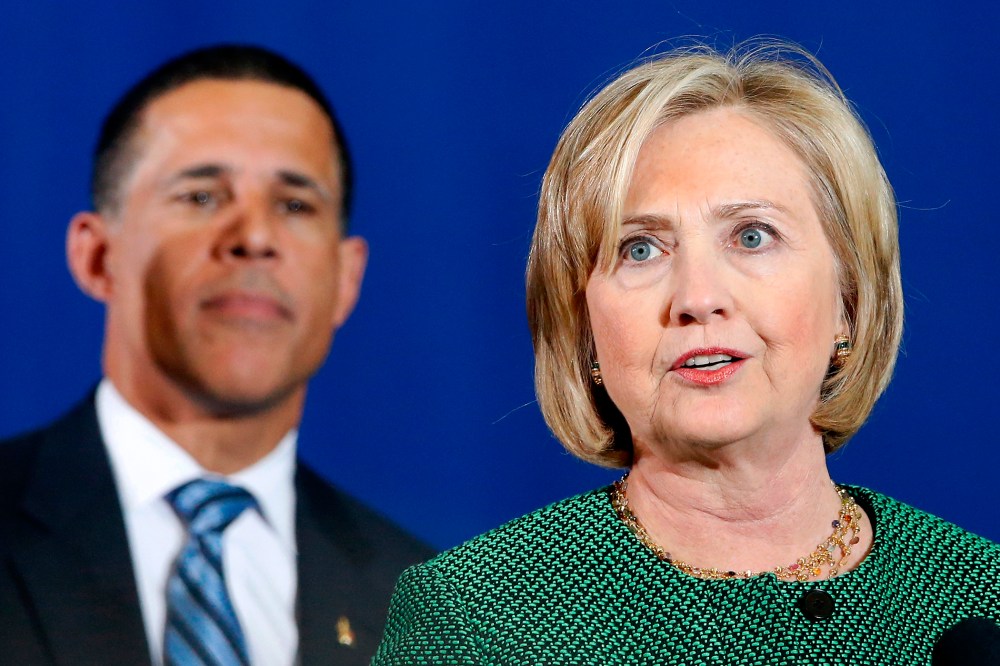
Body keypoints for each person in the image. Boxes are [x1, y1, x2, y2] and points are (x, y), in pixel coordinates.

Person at [373, 42, 1000, 664]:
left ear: (849, 302)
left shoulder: (980, 597)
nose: (698, 298)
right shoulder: (474, 618)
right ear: (585, 330)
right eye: (640, 249)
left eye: (753, 237)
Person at [0, 44, 433, 665]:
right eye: (202, 196)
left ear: (346, 279)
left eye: (295, 205)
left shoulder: (427, 603)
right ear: (97, 257)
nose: (254, 238)